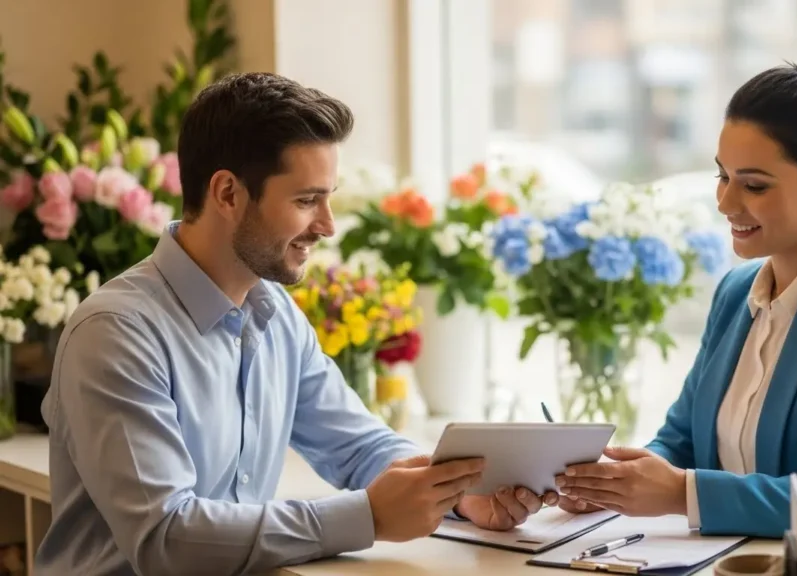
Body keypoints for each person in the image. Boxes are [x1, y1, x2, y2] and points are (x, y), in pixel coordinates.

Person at [34, 72, 557, 576]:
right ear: (228, 194)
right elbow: (166, 538)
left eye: (329, 197)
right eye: (307, 201)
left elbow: (358, 446)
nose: (328, 226)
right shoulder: (115, 333)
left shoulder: (276, 315)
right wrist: (368, 517)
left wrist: (460, 493)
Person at [553, 37, 797, 541]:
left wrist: (680, 493)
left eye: (753, 185)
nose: (726, 203)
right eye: (722, 176)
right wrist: (612, 483)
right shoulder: (735, 292)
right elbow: (681, 441)